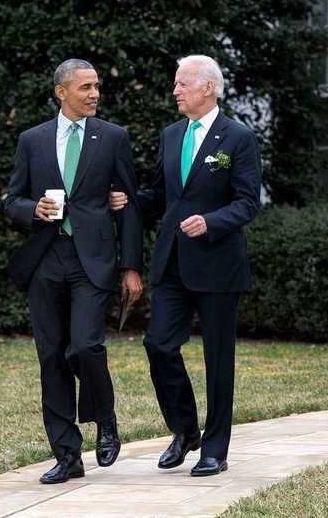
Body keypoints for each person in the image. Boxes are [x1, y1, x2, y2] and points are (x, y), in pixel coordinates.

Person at [110, 55, 261, 476]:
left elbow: (248, 203)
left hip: (218, 266)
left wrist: (211, 222)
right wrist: (130, 200)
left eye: (182, 84)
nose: (175, 91)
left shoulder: (238, 137)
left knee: (218, 359)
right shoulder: (172, 134)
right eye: (176, 84)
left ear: (208, 88)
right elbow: (164, 195)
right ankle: (184, 430)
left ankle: (215, 449)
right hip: (172, 263)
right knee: (158, 345)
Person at [4, 59, 143, 484]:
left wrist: (131, 266)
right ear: (61, 92)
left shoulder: (113, 138)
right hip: (47, 260)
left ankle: (105, 419)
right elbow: (11, 199)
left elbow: (129, 206)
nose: (94, 94)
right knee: (51, 358)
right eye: (85, 87)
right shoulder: (33, 140)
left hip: (93, 261)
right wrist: (33, 209)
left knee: (84, 346)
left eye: (96, 86)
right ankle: (67, 456)